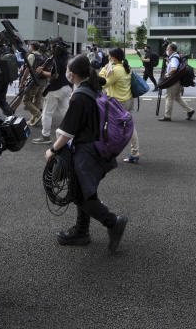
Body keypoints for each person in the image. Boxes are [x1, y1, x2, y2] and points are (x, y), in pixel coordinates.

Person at [46, 54, 128, 251]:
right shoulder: (93, 87)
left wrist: (52, 150)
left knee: (81, 196)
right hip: (98, 149)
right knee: (84, 191)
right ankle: (82, 231)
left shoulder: (81, 95)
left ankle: (113, 222)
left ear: (72, 74)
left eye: (68, 70)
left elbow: (67, 132)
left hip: (86, 152)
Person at [100, 47, 138, 164]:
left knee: (109, 128)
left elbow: (102, 84)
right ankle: (134, 152)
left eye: (109, 56)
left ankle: (107, 153)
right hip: (128, 100)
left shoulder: (115, 70)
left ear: (113, 57)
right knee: (130, 126)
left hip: (117, 103)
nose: (108, 57)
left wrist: (104, 69)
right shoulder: (126, 68)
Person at [32, 42, 70, 145]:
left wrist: (41, 72)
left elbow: (55, 75)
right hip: (66, 87)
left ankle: (45, 136)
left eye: (52, 46)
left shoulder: (56, 59)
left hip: (55, 89)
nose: (50, 48)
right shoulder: (66, 57)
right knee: (66, 112)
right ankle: (73, 133)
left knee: (47, 113)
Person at [159, 42, 194, 122]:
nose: (166, 50)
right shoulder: (174, 57)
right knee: (177, 97)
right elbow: (173, 66)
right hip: (178, 81)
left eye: (167, 48)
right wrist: (168, 62)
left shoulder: (174, 58)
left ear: (171, 49)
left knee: (169, 97)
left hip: (174, 81)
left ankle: (167, 116)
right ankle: (190, 110)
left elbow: (174, 68)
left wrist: (167, 74)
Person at [19, 42, 45, 127]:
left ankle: (38, 114)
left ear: (32, 47)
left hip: (33, 80)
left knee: (26, 100)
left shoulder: (32, 56)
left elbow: (28, 69)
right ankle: (33, 120)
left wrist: (23, 80)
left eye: (29, 46)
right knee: (37, 100)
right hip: (42, 80)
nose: (28, 47)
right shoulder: (42, 56)